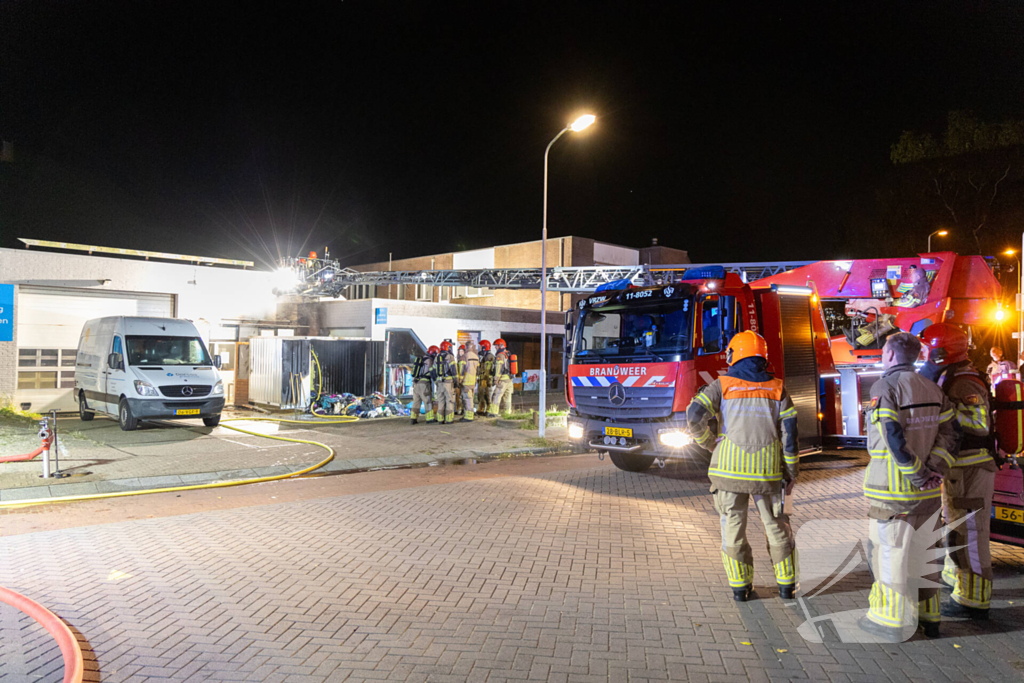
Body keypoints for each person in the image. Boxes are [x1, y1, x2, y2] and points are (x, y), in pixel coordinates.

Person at [684, 331, 800, 602]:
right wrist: (792, 472)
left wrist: (710, 443)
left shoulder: (721, 385)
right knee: (776, 526)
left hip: (728, 474)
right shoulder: (778, 388)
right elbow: (791, 436)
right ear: (763, 356)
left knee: (733, 528)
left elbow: (693, 415)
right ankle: (786, 587)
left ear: (734, 355)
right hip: (768, 473)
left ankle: (740, 589)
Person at [859, 332, 958, 642]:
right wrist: (935, 471)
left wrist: (917, 473)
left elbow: (892, 435)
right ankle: (930, 617)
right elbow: (951, 435)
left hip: (893, 493)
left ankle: (891, 620)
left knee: (889, 554)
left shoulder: (885, 387)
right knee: (924, 554)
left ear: (889, 355)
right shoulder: (932, 388)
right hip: (928, 494)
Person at [920, 325, 997, 621]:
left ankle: (974, 599)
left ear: (941, 351)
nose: (925, 354)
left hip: (970, 469)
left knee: (971, 534)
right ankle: (962, 585)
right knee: (958, 531)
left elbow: (979, 426)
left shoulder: (964, 383)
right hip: (959, 471)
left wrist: (943, 412)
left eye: (928, 349)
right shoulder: (951, 376)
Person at [410, 346, 437, 425]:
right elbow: (431, 372)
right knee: (427, 400)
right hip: (424, 384)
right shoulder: (430, 360)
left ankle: (413, 418)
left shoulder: (421, 358)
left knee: (416, 401)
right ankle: (430, 418)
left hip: (416, 383)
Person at [488, 338, 513, 417]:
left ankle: (494, 412)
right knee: (507, 397)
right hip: (509, 380)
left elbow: (499, 368)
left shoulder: (500, 355)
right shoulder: (507, 354)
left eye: (496, 346)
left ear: (500, 346)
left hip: (502, 380)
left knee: (496, 395)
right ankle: (507, 413)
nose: (495, 347)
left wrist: (496, 379)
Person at [459, 342, 480, 422]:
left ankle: (468, 417)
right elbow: (478, 370)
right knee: (470, 398)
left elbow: (462, 369)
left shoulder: (464, 356)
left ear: (466, 347)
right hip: (473, 382)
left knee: (467, 399)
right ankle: (468, 415)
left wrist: (460, 380)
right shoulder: (476, 357)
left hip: (466, 382)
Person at [477, 340, 494, 416]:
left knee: (487, 395)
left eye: (481, 347)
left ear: (484, 347)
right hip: (483, 379)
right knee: (481, 395)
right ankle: (481, 409)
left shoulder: (489, 357)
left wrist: (484, 379)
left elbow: (487, 370)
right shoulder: (484, 357)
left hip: (487, 379)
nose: (479, 348)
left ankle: (489, 410)